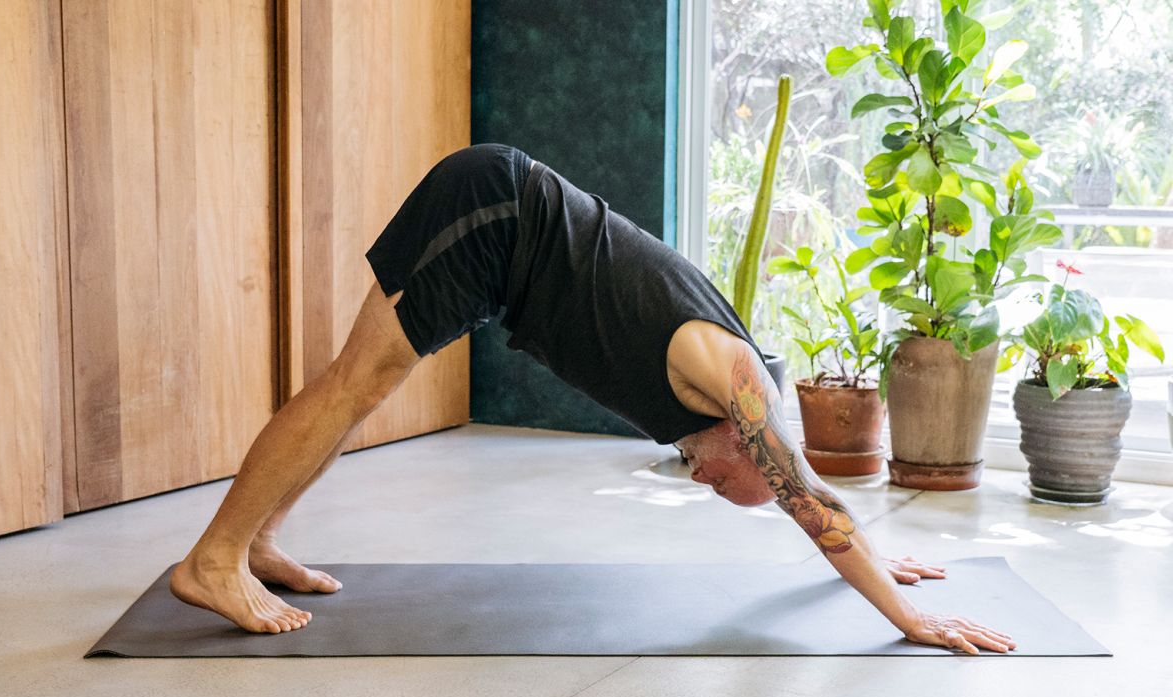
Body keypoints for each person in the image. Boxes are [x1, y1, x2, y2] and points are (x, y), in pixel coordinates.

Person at [170, 144, 1016, 655]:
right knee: (355, 385)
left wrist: (863, 551)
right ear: (751, 441)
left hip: (498, 234)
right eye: (729, 481)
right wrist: (905, 613)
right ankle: (215, 560)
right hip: (493, 216)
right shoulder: (730, 379)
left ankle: (260, 540)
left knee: (359, 389)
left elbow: (809, 505)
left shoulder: (729, 413)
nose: (702, 482)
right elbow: (812, 503)